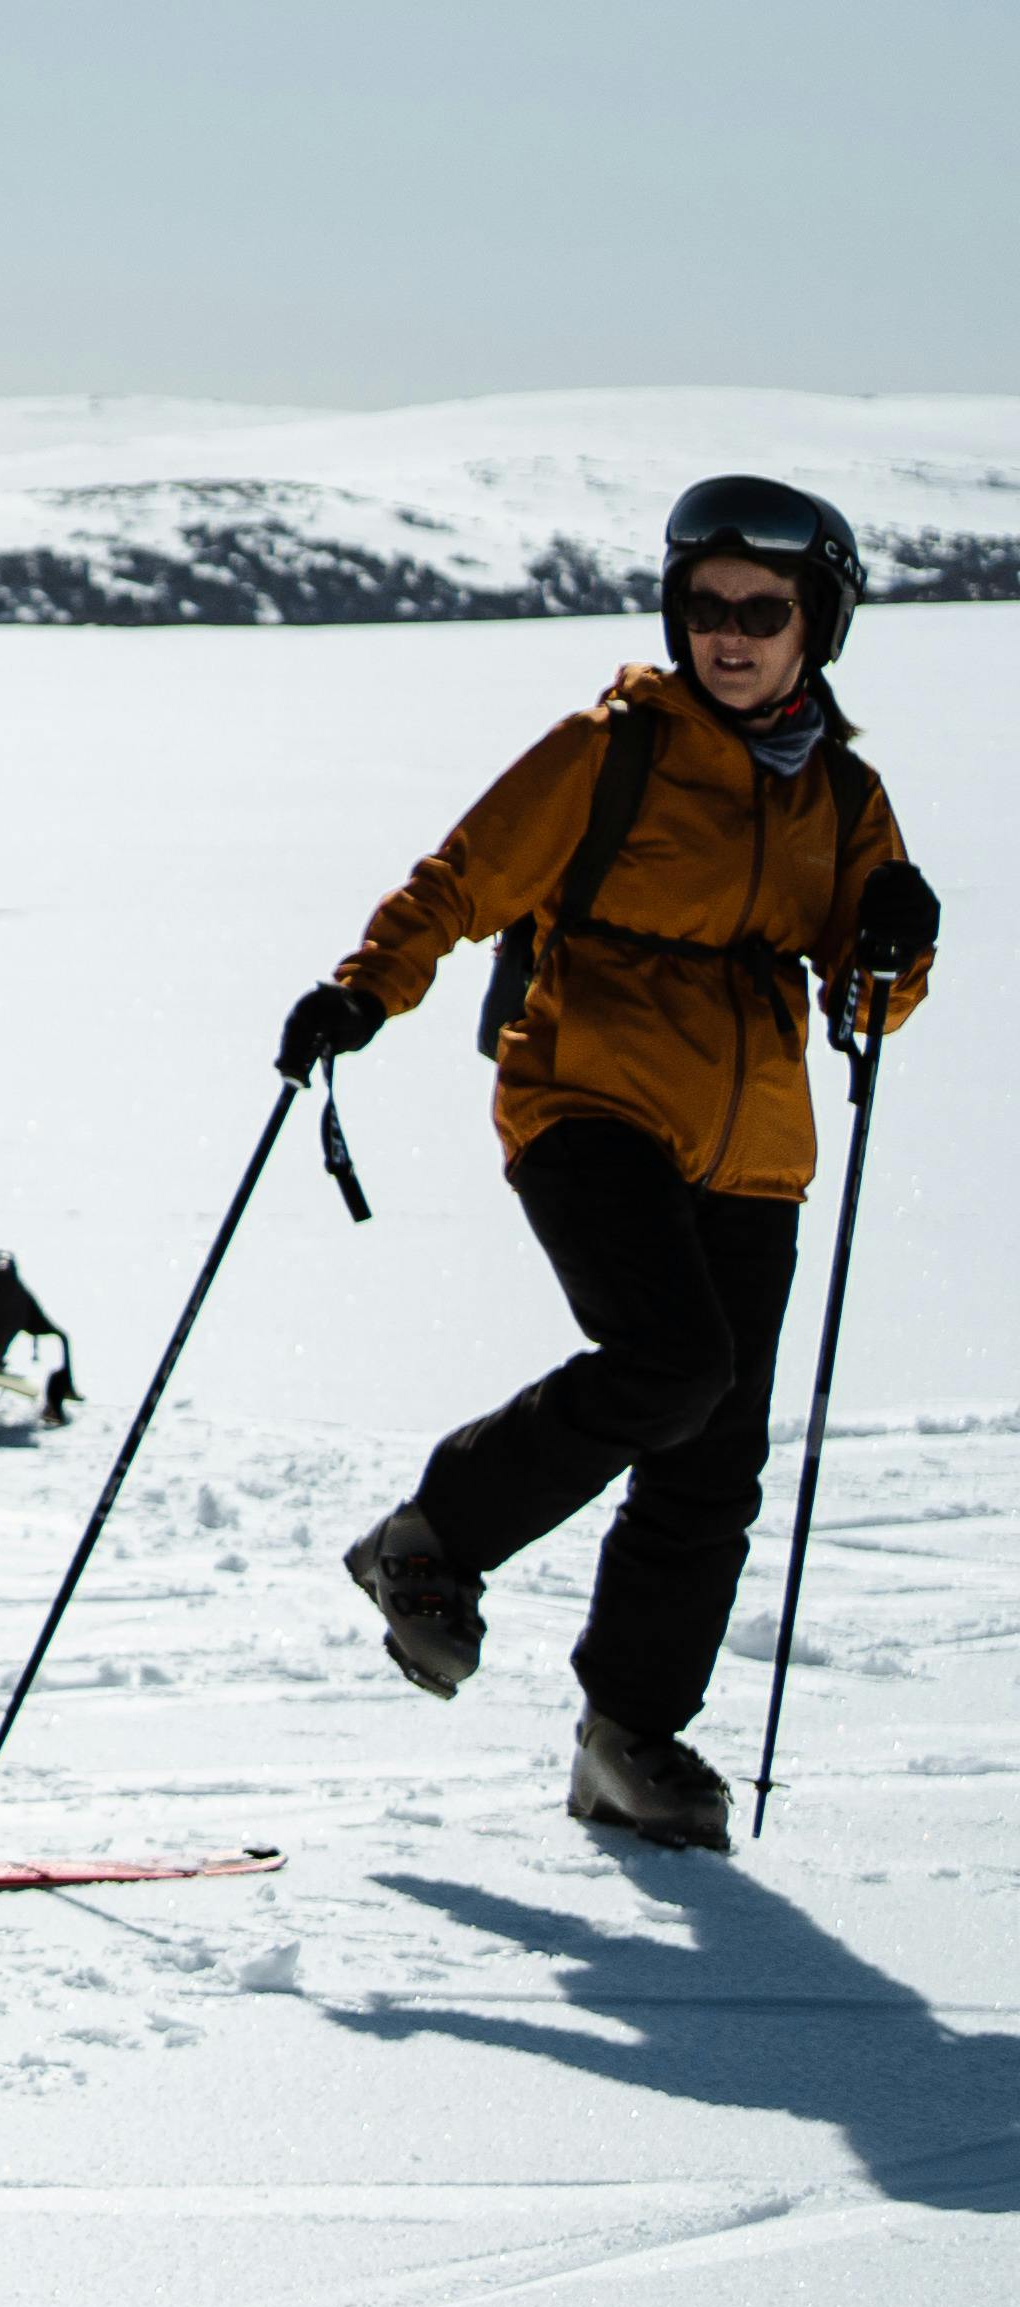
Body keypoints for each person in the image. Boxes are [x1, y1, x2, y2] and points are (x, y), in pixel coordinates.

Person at [284, 476, 936, 1848]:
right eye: (707, 606)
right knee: (673, 1362)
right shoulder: (613, 748)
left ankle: (630, 1737)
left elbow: (863, 1002)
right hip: (587, 1096)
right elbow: (462, 880)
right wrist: (363, 992)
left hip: (755, 1143)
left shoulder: (844, 794)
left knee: (714, 1458)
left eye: (765, 608)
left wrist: (892, 947)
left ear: (821, 622)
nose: (731, 633)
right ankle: (435, 1539)